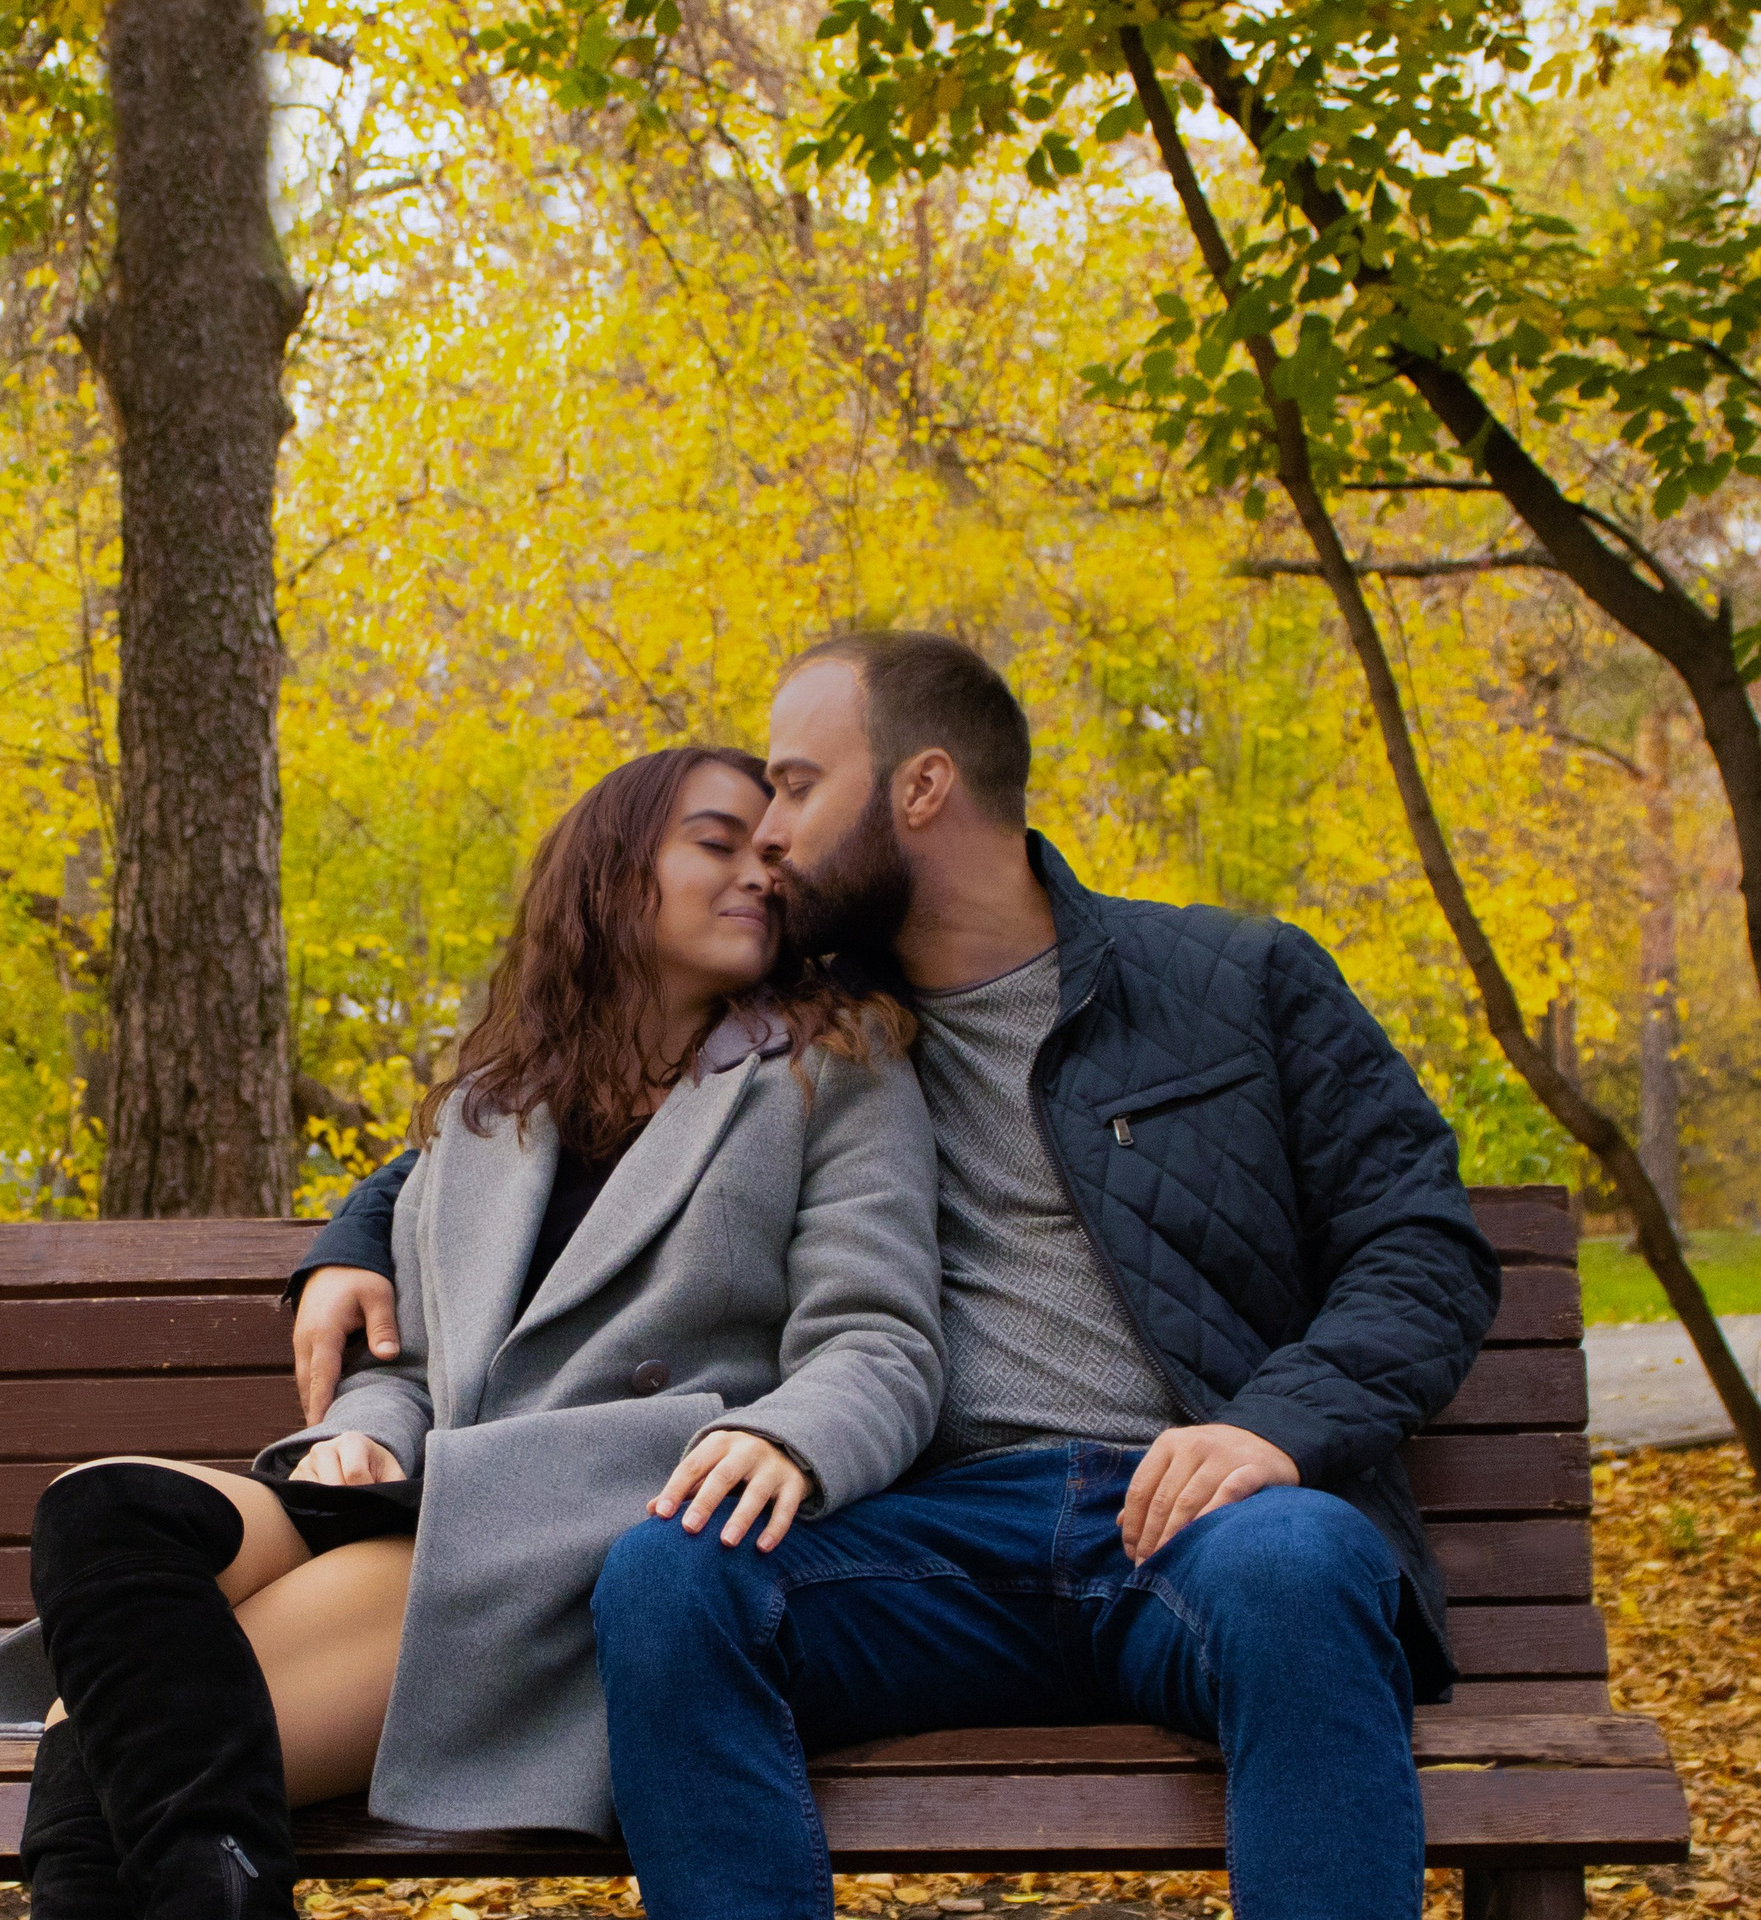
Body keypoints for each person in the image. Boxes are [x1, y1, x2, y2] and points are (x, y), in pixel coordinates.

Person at [289, 633, 1502, 1920]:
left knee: (1301, 1561)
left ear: (919, 791)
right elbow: (546, 1100)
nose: (770, 838)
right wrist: (350, 1244)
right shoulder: (804, 1030)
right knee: (669, 1574)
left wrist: (1271, 1428)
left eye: (799, 788)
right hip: (917, 1544)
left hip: (1194, 1527)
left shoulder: (1237, 981)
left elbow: (1421, 1248)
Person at [20, 745, 945, 1920]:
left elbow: (881, 1339)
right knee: (99, 1510)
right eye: (718, 843)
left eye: (774, 856)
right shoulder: (486, 1108)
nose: (761, 873)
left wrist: (795, 1442)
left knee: (102, 1743)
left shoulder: (832, 1073)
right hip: (422, 1500)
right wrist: (360, 1429)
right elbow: (408, 1362)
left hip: (575, 1535)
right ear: (610, 873)